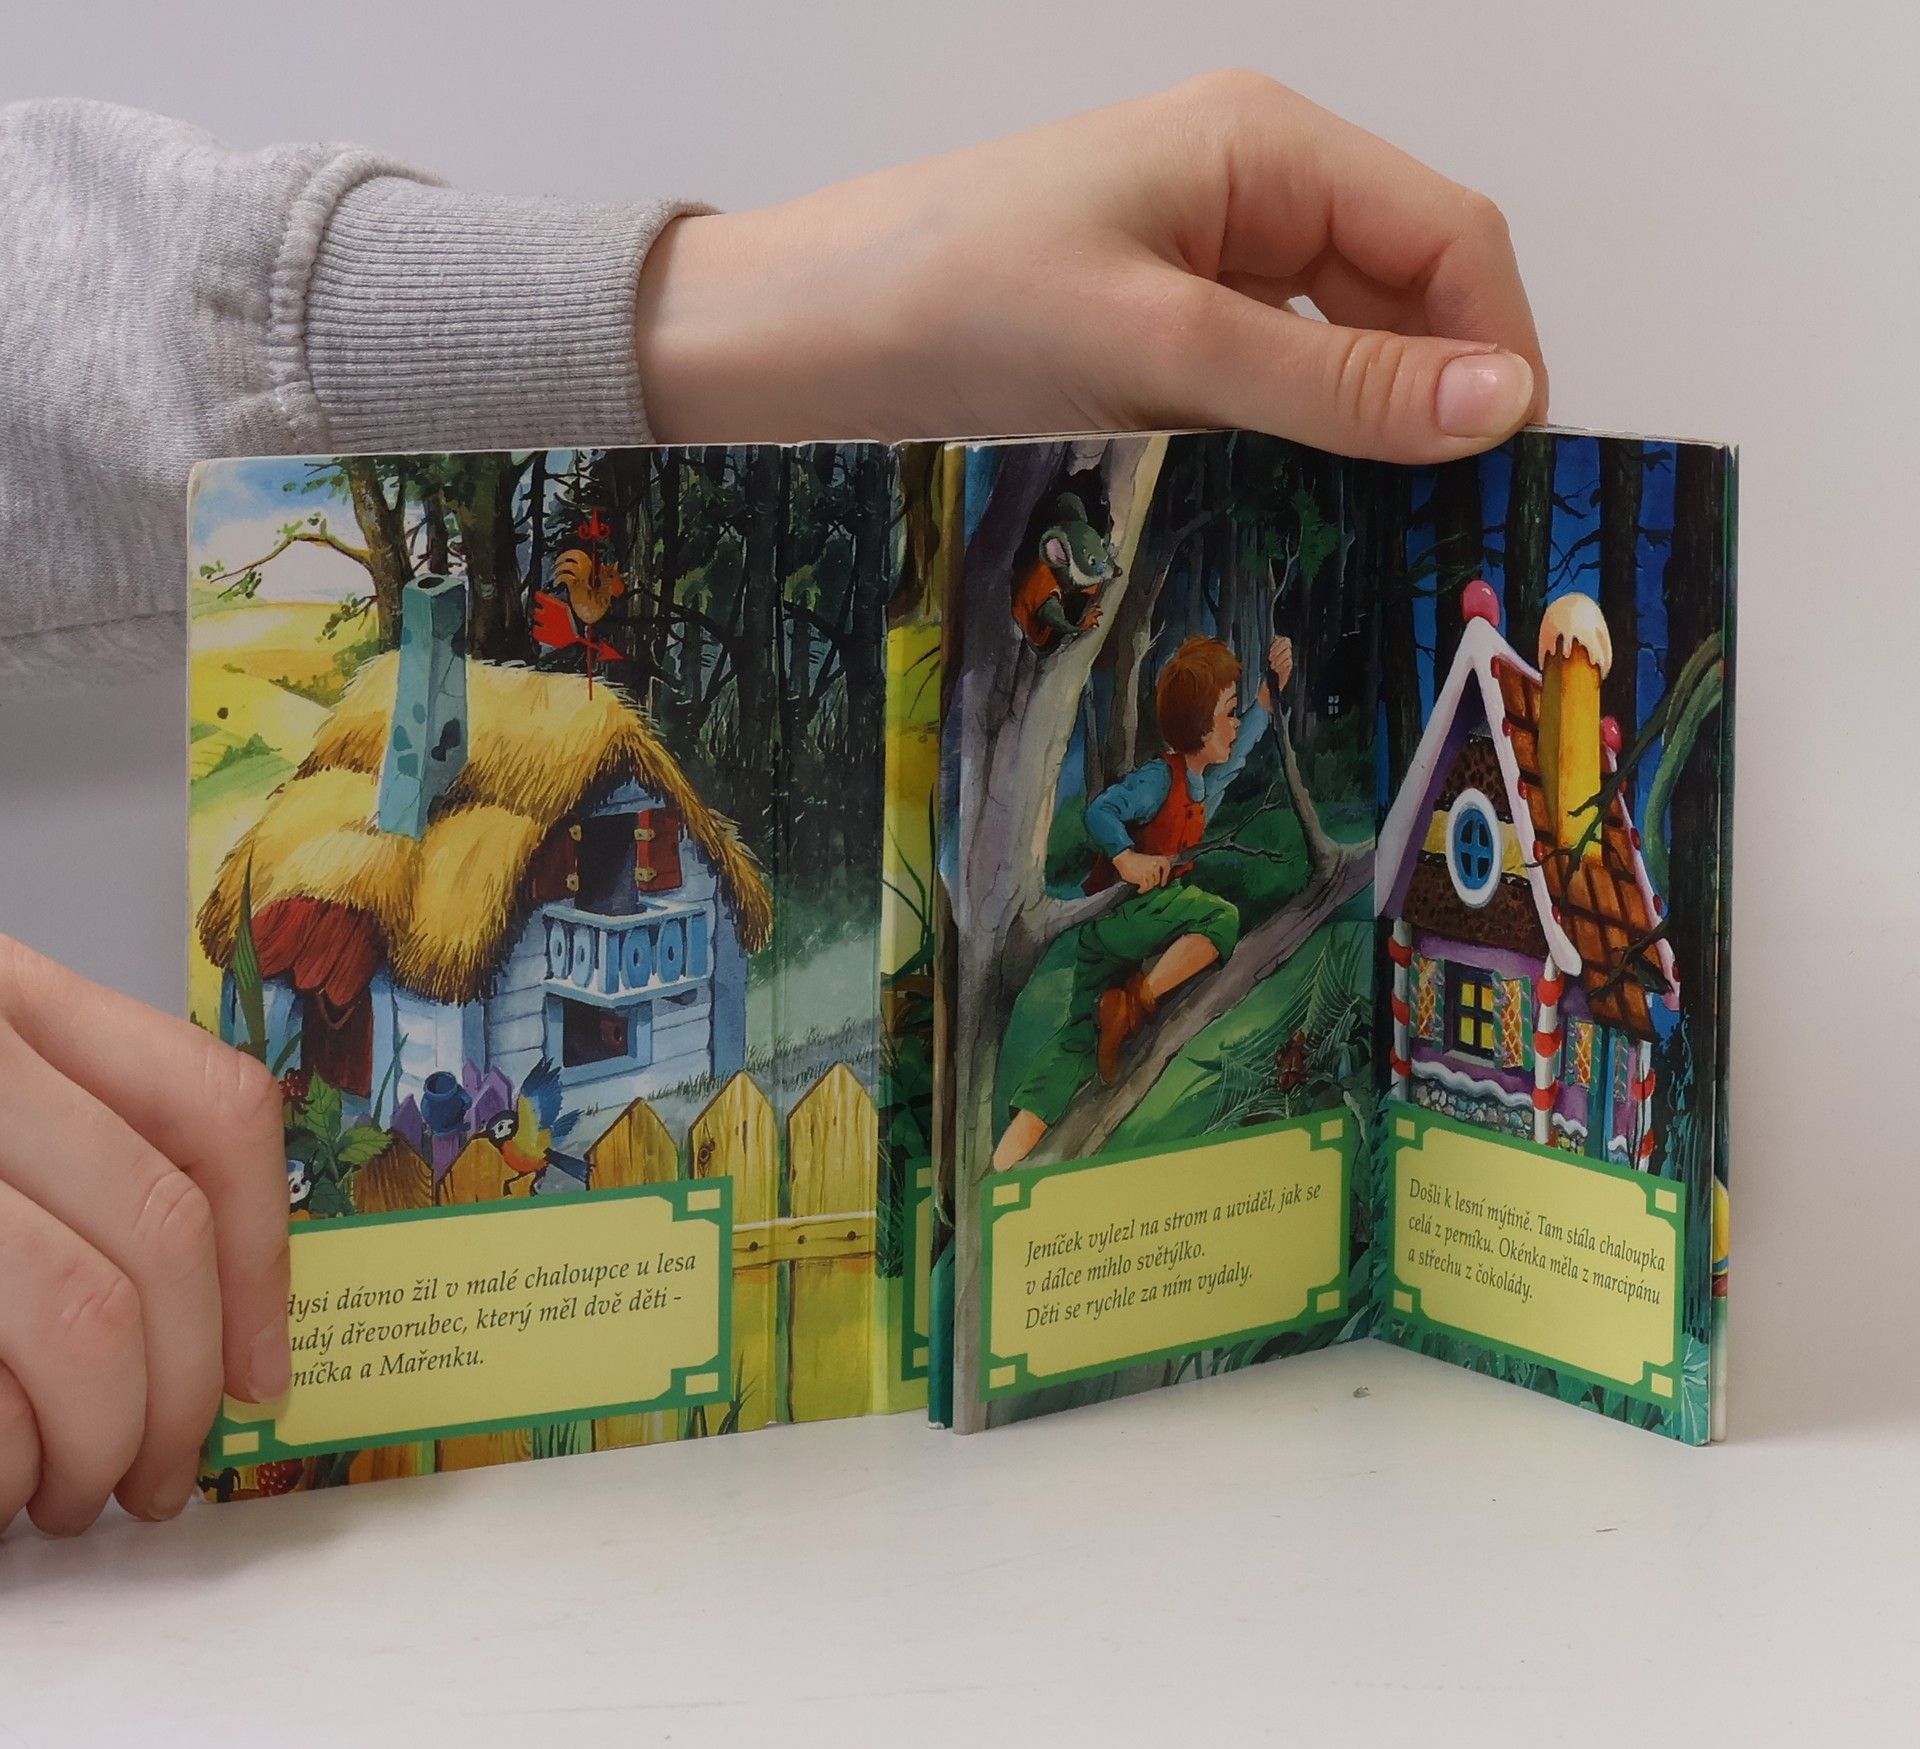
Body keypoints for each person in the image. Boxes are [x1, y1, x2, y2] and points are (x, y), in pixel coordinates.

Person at [0, 72, 1546, 1536]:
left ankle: (1112, 1036)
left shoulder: (1205, 765)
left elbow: (86, 355)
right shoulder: (442, 880)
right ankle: (1076, 1071)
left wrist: (777, 303)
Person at [994, 633, 1292, 1169]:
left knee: (1077, 1042)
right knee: (1220, 917)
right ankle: (1135, 1003)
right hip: (1123, 913)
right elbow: (1100, 812)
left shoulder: (1203, 780)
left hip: (1109, 941)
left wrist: (1267, 695)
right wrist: (1127, 858)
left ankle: (1000, 1168)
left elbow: (1241, 748)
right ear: (1199, 726)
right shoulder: (1160, 777)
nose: (1234, 724)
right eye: (1227, 713)